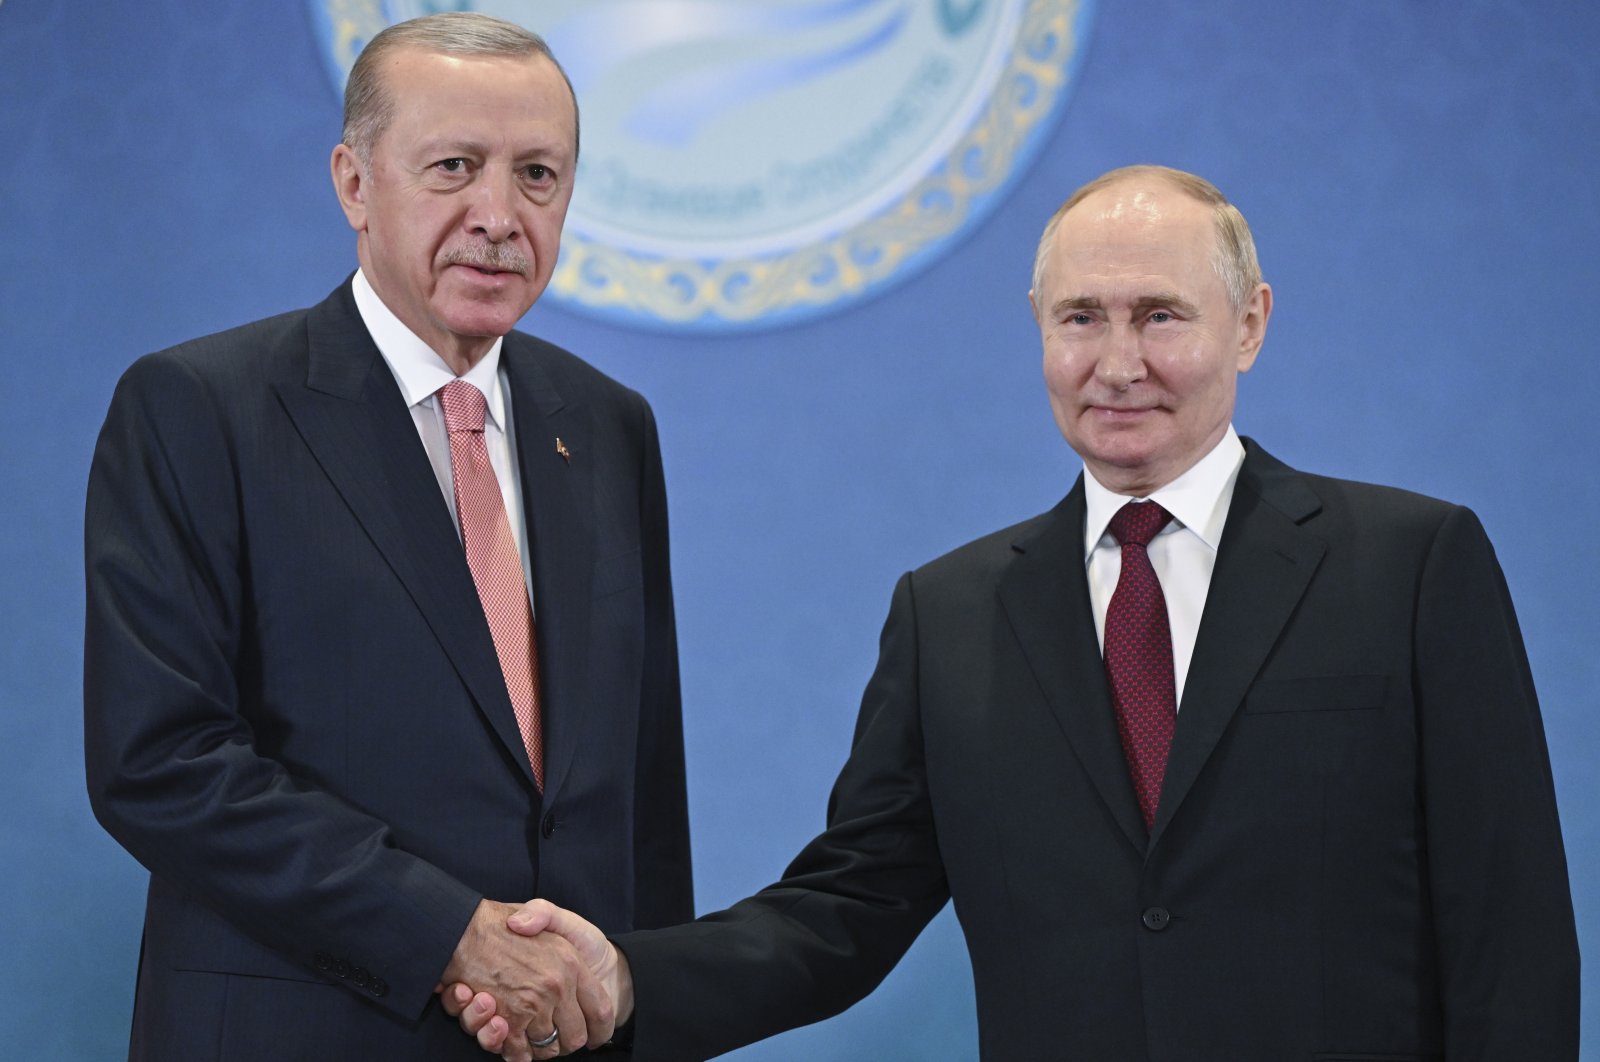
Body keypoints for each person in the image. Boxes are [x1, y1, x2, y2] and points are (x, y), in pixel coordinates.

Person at [450, 165, 1579, 1061]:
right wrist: (624, 979)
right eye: (1081, 317)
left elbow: (1509, 934)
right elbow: (845, 908)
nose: (1117, 363)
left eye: (1161, 316)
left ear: (1249, 324)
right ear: (1038, 326)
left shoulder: (1409, 563)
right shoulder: (951, 615)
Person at [83, 13, 690, 1061]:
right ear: (354, 184)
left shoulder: (605, 425)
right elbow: (162, 760)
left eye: (538, 176)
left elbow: (642, 790)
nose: (499, 215)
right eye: (454, 167)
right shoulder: (199, 408)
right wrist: (449, 935)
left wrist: (652, 1011)